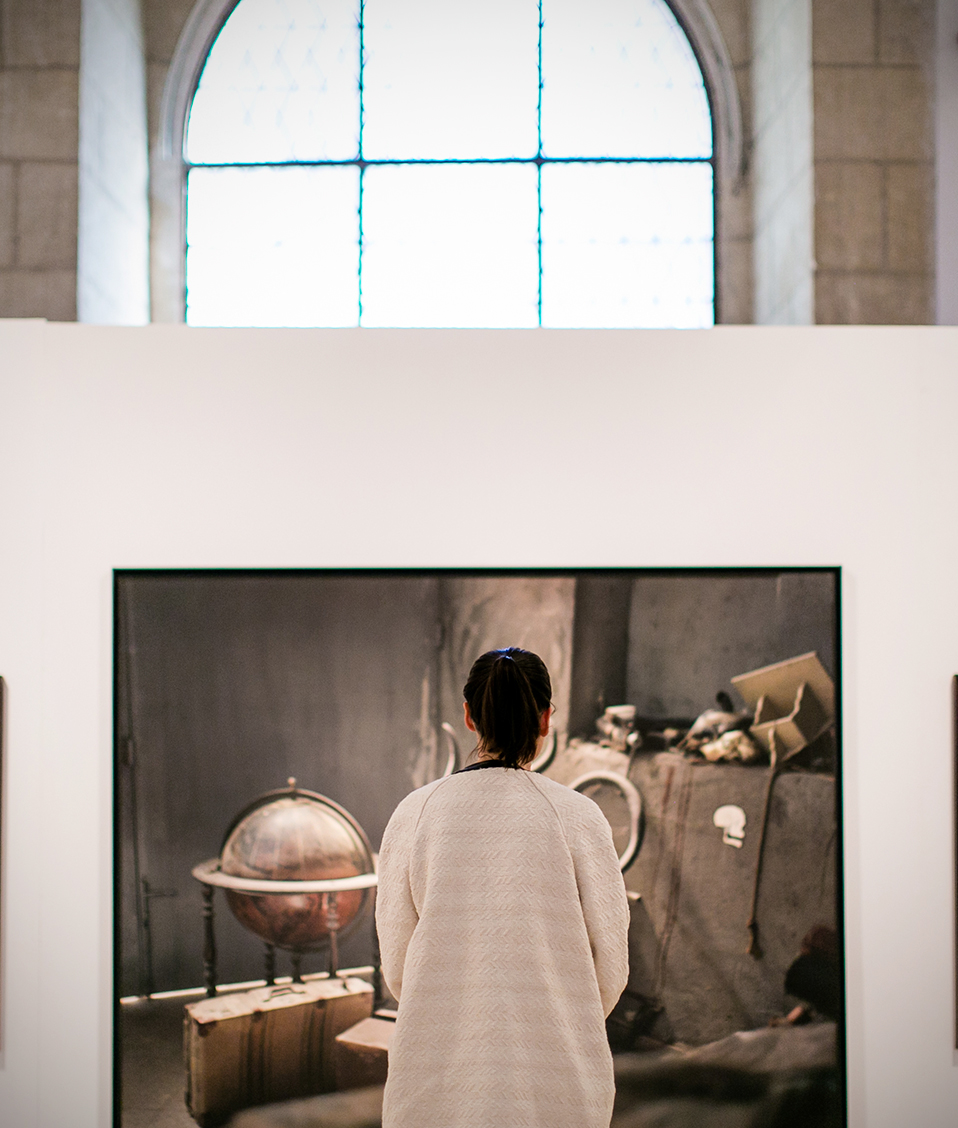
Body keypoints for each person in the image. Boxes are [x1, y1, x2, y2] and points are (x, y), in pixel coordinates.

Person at [375, 647, 630, 1128]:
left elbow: (398, 965)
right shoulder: (579, 817)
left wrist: (451, 1003)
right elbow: (610, 967)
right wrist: (561, 1012)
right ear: (546, 720)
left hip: (436, 1074)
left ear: (470, 716)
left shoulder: (415, 811)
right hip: (556, 1075)